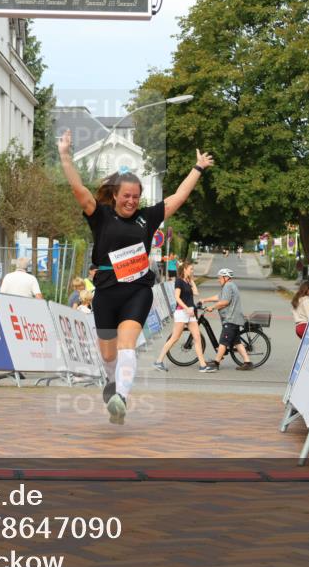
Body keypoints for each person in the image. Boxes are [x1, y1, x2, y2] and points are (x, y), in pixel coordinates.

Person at [59, 128, 213, 424]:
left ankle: (121, 398)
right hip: (106, 292)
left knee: (127, 344)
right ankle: (112, 384)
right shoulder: (100, 215)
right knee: (107, 355)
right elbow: (79, 190)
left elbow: (178, 197)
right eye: (126, 196)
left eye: (136, 196)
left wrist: (198, 168)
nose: (131, 201)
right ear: (115, 195)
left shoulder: (147, 217)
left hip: (137, 291)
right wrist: (65, 155)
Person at [152, 261, 211, 372]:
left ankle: (203, 365)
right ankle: (158, 361)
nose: (192, 271)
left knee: (197, 337)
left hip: (191, 313)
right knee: (175, 338)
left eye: (192, 269)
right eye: (191, 269)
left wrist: (191, 280)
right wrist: (186, 308)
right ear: (184, 269)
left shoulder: (188, 281)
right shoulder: (179, 281)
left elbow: (196, 292)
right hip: (182, 312)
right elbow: (177, 297)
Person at [203, 267, 253, 370]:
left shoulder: (228, 286)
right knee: (236, 342)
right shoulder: (230, 285)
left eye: (220, 277)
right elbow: (219, 297)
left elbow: (225, 301)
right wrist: (205, 300)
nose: (218, 279)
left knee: (223, 341)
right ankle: (247, 362)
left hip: (231, 319)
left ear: (226, 277)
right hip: (234, 319)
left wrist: (212, 307)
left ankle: (216, 363)